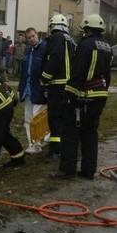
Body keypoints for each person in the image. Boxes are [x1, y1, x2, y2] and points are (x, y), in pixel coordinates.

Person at [52, 14, 113, 179]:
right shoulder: (107, 46)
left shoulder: (85, 45)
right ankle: (88, 170)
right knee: (90, 132)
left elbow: (77, 73)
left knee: (70, 132)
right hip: (100, 95)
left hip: (83, 96)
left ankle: (67, 170)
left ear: (87, 29)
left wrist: (68, 95)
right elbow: (107, 75)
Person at [41, 14, 76, 158]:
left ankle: (56, 150)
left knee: (55, 119)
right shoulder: (71, 40)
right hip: (69, 86)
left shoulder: (56, 38)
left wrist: (44, 77)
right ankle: (64, 148)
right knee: (66, 118)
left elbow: (55, 59)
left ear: (52, 26)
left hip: (57, 85)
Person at [18, 27, 48, 154]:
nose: (31, 39)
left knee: (38, 117)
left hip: (39, 89)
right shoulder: (27, 50)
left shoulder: (45, 49)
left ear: (37, 35)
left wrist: (45, 85)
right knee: (28, 118)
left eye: (33, 36)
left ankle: (38, 143)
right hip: (27, 89)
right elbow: (23, 72)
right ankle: (32, 143)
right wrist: (20, 88)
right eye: (29, 37)